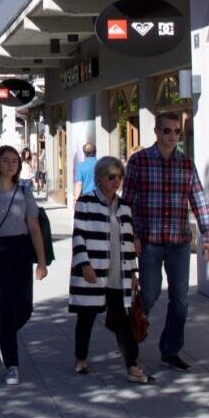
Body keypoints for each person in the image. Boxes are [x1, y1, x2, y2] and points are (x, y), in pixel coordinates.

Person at [125, 112, 209, 371]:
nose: (172, 136)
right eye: (167, 131)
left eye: (176, 132)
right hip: (150, 241)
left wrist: (207, 236)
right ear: (156, 131)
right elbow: (128, 203)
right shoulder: (139, 162)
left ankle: (170, 349)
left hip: (179, 242)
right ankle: (131, 339)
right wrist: (133, 237)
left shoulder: (186, 164)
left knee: (180, 299)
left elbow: (199, 201)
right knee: (150, 295)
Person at [69, 156, 151, 384]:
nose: (117, 181)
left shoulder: (124, 206)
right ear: (100, 178)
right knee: (86, 317)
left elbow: (127, 240)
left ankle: (132, 365)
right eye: (111, 176)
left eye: (120, 176)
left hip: (118, 273)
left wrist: (133, 273)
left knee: (124, 320)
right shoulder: (86, 202)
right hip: (93, 271)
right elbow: (78, 236)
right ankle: (81, 358)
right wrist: (84, 264)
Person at [0, 145, 49, 385]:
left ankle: (5, 337)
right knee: (7, 310)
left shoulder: (25, 192)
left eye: (14, 161)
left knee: (24, 307)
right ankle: (12, 364)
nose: (11, 164)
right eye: (6, 160)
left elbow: (34, 227)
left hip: (21, 251)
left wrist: (42, 261)